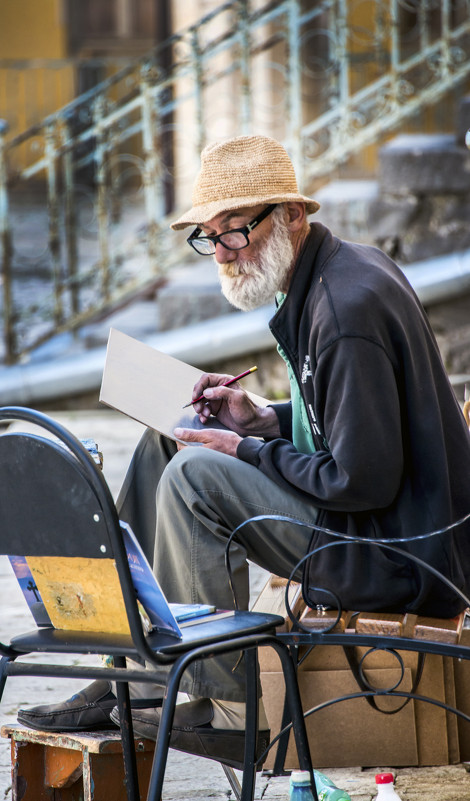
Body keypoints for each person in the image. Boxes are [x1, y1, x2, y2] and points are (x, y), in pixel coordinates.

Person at [18, 135, 470, 769]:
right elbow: (348, 425)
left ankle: (229, 705)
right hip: (371, 526)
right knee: (167, 438)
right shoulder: (328, 277)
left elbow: (362, 480)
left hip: (394, 554)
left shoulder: (344, 309)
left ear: (290, 214)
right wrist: (262, 420)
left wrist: (246, 451)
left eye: (235, 231)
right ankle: (130, 668)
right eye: (209, 236)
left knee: (196, 477)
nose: (224, 254)